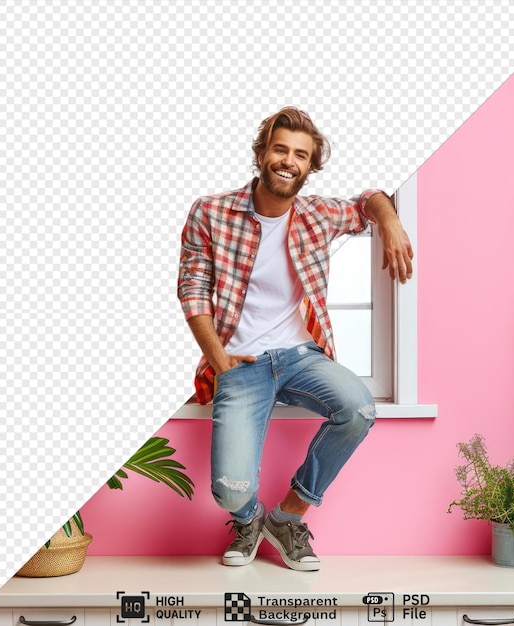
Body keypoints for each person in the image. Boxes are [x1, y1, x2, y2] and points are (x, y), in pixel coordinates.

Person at [177, 106, 413, 571]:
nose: (289, 160)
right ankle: (250, 519)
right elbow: (192, 288)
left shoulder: (318, 214)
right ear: (262, 153)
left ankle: (288, 516)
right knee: (228, 489)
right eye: (280, 149)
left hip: (302, 357)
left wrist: (388, 220)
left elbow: (369, 200)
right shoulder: (211, 211)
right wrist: (219, 360)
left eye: (301, 155)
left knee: (359, 408)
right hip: (240, 364)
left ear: (310, 165)